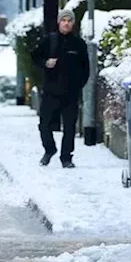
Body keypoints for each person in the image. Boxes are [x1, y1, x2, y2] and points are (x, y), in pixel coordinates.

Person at [30, 9, 91, 168]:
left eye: (69, 21)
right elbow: (35, 56)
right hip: (51, 92)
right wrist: (45, 63)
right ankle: (49, 149)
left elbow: (86, 69)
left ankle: (66, 158)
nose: (66, 23)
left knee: (69, 127)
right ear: (59, 22)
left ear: (73, 23)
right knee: (44, 124)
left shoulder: (79, 44)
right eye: (63, 20)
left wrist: (77, 86)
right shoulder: (49, 40)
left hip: (70, 94)